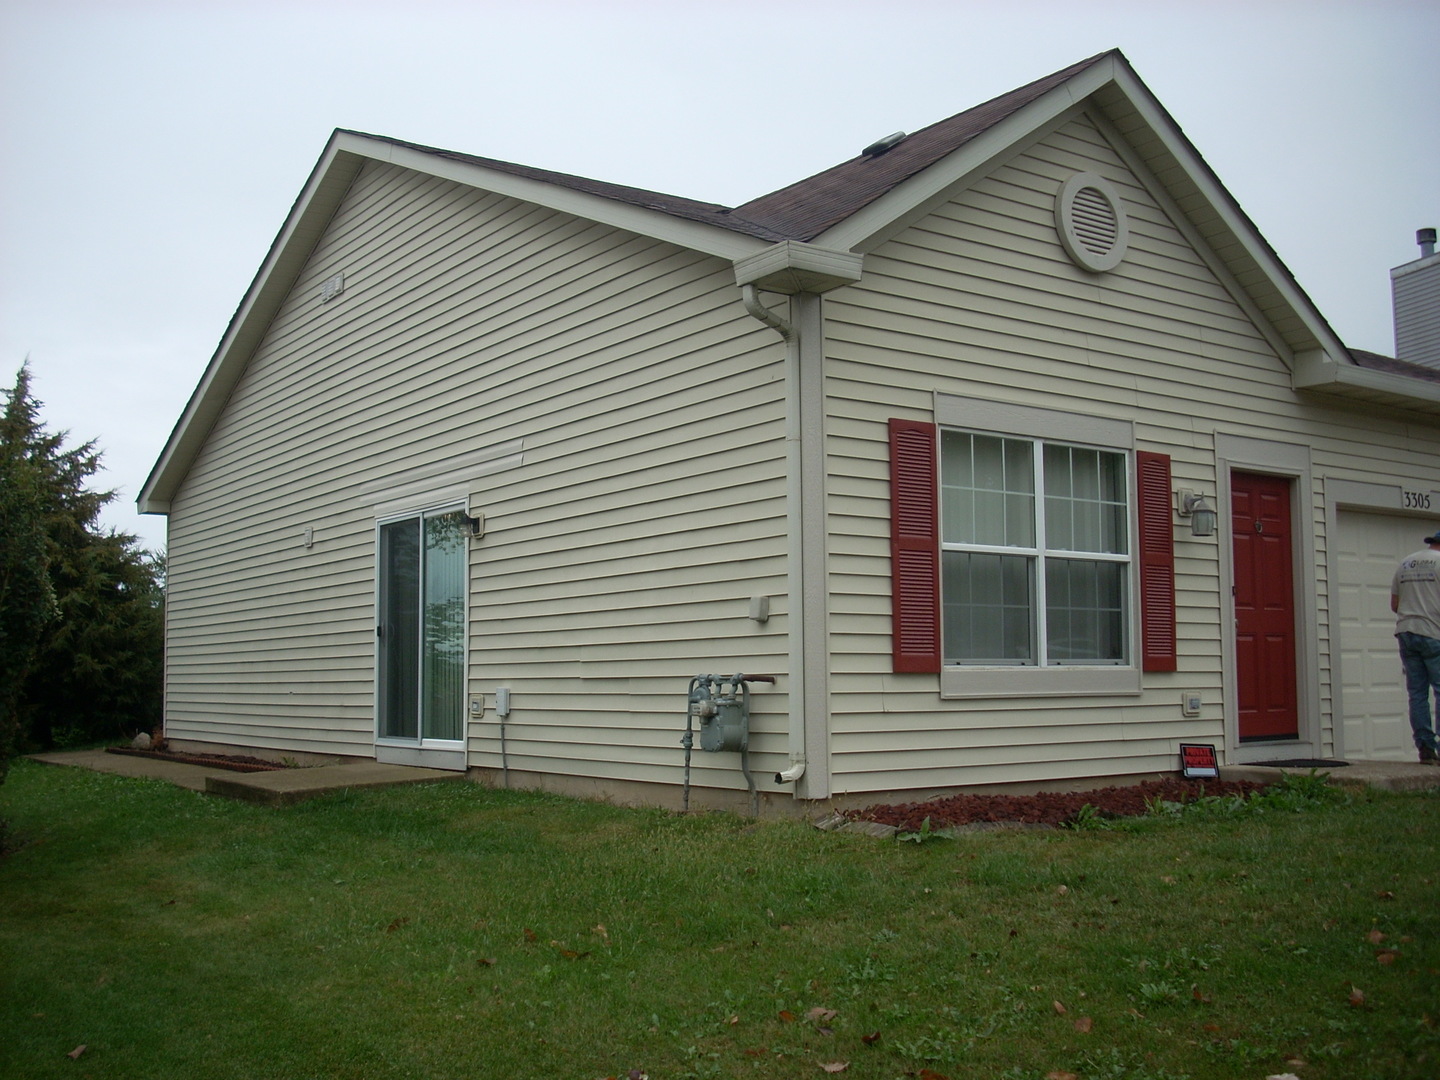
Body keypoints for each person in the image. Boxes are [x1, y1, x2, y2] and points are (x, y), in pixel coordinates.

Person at [1391, 531, 1440, 764]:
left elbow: (1395, 604)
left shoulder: (1406, 563)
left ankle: (1425, 747)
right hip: (1434, 634)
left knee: (1417, 693)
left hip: (1406, 632)